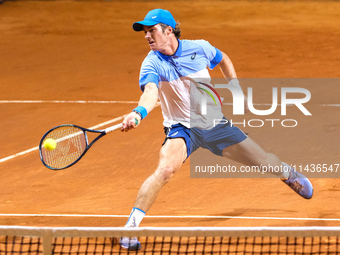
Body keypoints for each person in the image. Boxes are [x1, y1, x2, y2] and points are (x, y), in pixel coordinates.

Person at [120, 9, 313, 250]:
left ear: (169, 30)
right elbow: (150, 92)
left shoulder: (200, 48)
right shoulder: (151, 62)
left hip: (214, 124)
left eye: (152, 31)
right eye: (145, 32)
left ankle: (287, 174)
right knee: (166, 169)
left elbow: (223, 59)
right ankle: (129, 228)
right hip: (182, 128)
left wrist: (236, 88)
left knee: (265, 162)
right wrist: (138, 113)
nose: (147, 36)